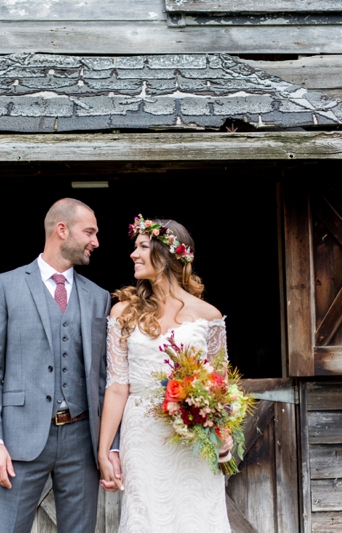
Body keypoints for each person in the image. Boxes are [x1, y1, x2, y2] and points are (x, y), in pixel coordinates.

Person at [0, 198, 119, 533]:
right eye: (90, 232)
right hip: (19, 440)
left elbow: (104, 378)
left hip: (81, 442)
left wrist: (110, 444)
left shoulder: (99, 296)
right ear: (61, 230)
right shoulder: (5, 286)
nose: (96, 242)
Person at [98, 215, 232, 533]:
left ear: (167, 254)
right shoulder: (123, 313)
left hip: (193, 439)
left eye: (143, 246)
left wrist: (222, 432)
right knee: (146, 518)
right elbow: (117, 386)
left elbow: (220, 386)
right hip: (142, 435)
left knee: (196, 517)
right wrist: (105, 451)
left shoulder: (208, 315)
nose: (134, 254)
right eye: (135, 247)